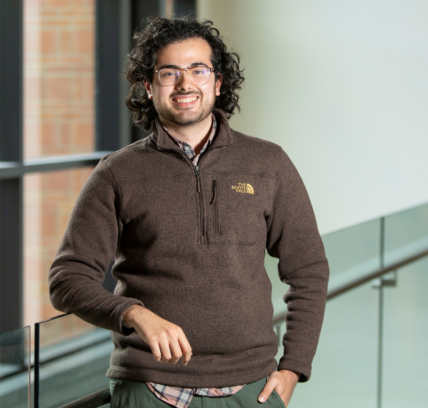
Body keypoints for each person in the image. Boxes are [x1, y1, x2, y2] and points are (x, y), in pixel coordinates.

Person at [49, 16, 329, 408]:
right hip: (147, 386)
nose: (185, 84)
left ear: (217, 82)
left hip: (251, 388)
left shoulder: (269, 163)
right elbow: (66, 279)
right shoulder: (117, 173)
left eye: (198, 69)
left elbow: (309, 270)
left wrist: (294, 366)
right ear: (148, 87)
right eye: (169, 72)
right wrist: (133, 313)